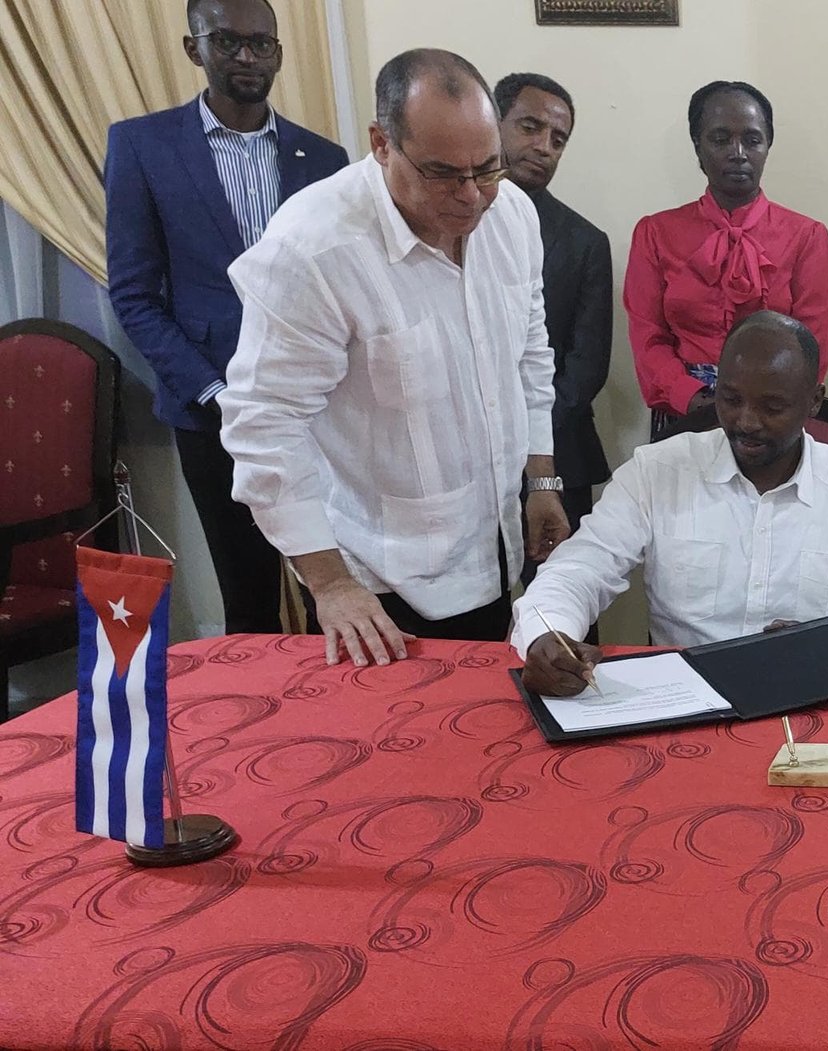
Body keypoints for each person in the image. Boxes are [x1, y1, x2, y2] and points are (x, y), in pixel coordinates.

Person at [220, 48, 570, 667]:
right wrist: (330, 585)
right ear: (382, 144)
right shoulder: (313, 249)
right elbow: (264, 426)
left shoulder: (512, 214)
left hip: (493, 551)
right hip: (377, 581)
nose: (472, 196)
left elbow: (530, 354)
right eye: (443, 174)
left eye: (487, 168)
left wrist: (540, 478)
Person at [517, 312, 828, 695]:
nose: (746, 421)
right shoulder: (656, 473)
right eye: (730, 399)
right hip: (687, 708)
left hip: (821, 704)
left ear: (813, 402)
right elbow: (578, 571)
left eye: (772, 407)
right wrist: (547, 632)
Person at [104, 0, 347, 635]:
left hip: (318, 411)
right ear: (195, 48)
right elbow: (134, 296)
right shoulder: (143, 145)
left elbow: (344, 286)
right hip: (209, 409)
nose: (247, 57)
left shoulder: (325, 159)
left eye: (261, 44)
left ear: (279, 53)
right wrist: (214, 391)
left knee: (338, 591)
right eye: (228, 42)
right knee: (248, 598)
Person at [625, 80, 828, 441]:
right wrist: (691, 398)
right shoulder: (655, 233)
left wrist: (763, 405)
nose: (738, 153)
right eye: (721, 139)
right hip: (683, 411)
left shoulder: (807, 236)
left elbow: (811, 346)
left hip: (773, 413)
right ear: (698, 146)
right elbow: (648, 337)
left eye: (752, 140)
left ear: (768, 146)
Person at [495, 72, 612, 561]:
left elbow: (587, 368)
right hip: (463, 463)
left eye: (558, 139)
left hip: (561, 453)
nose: (544, 147)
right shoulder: (447, 223)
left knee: (564, 598)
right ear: (494, 122)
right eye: (530, 127)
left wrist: (524, 431)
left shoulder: (585, 242)